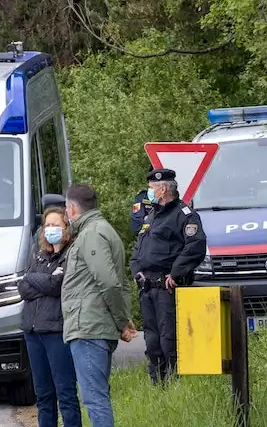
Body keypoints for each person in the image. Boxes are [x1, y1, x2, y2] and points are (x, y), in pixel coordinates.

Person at [61, 183, 136, 427]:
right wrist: (123, 318)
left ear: (72, 208)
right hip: (94, 326)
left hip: (89, 327)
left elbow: (110, 283)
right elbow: (121, 283)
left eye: (65, 208)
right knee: (97, 396)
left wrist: (122, 321)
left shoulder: (92, 233)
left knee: (94, 399)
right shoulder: (104, 230)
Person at [130, 168, 207, 386]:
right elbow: (139, 247)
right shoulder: (152, 215)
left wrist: (176, 272)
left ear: (163, 189)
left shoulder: (184, 215)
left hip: (167, 287)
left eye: (152, 188)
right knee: (152, 342)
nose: (149, 192)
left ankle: (174, 385)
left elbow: (196, 246)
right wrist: (136, 270)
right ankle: (157, 386)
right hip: (147, 288)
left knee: (169, 340)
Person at [19, 197, 82, 427]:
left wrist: (36, 280)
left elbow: (57, 286)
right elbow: (23, 287)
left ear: (66, 227)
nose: (50, 229)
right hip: (32, 331)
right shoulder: (38, 253)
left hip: (56, 330)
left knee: (65, 392)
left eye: (56, 225)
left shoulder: (70, 254)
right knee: (43, 395)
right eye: (47, 225)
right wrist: (41, 281)